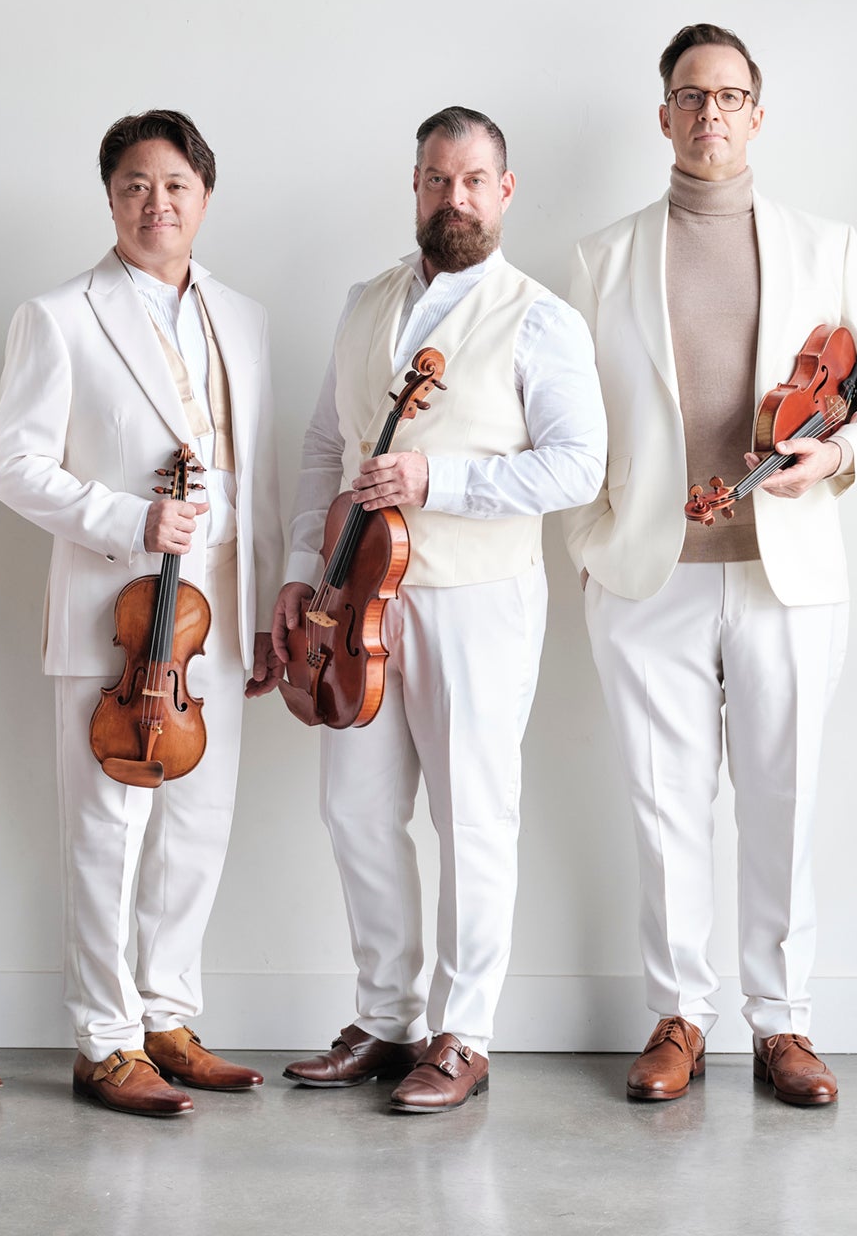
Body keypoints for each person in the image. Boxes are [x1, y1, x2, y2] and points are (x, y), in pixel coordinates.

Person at [563, 22, 857, 1108]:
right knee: (665, 807)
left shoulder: (828, 244)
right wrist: (594, 531)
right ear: (662, 115)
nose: (709, 113)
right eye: (689, 95)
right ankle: (679, 1015)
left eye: (729, 95)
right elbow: (569, 420)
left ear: (757, 113)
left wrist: (840, 452)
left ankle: (785, 1022)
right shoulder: (601, 257)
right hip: (648, 570)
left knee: (784, 795)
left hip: (788, 569)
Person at [274, 107, 605, 1113]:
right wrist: (302, 565)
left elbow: (577, 467)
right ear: (413, 186)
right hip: (356, 601)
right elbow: (327, 448)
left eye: (471, 180)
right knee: (357, 811)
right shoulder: (363, 301)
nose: (451, 198)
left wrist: (438, 478)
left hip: (475, 597)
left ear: (503, 191)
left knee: (474, 815)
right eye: (433, 179)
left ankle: (463, 1033)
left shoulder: (541, 317)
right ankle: (385, 1018)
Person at [0, 109, 282, 1118]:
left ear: (205, 195)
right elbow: (12, 465)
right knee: (107, 835)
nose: (157, 204)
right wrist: (127, 517)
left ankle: (166, 1015)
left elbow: (260, 477)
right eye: (134, 186)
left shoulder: (242, 315)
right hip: (111, 627)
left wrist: (268, 604)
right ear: (110, 198)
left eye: (175, 186)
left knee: (196, 829)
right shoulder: (58, 313)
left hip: (216, 625)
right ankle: (103, 1039)